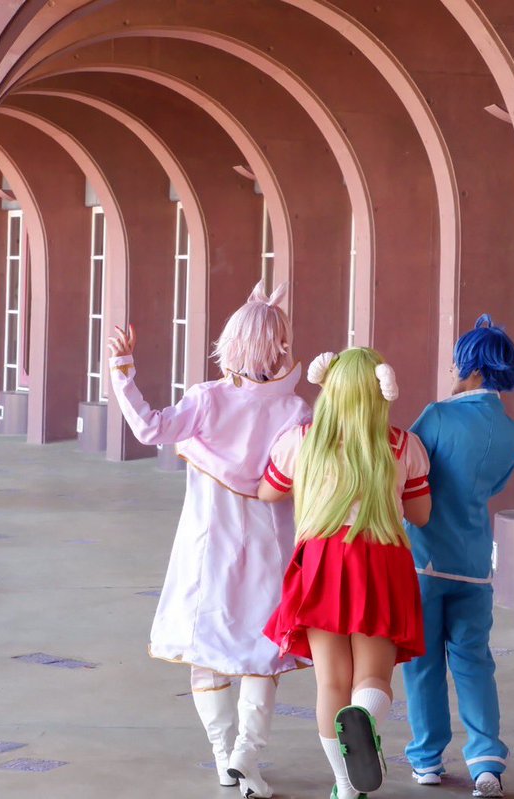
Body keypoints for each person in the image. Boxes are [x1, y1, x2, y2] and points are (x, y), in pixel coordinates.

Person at [106, 281, 310, 799]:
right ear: (279, 345)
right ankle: (247, 755)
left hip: (207, 543)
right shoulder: (295, 411)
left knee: (207, 649)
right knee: (263, 651)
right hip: (269, 544)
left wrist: (123, 373)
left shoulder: (207, 398)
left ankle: (224, 758)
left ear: (233, 341)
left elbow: (150, 429)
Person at [259, 347, 432, 799]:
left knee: (331, 682)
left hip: (321, 562)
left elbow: (268, 492)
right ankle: (366, 718)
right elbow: (421, 513)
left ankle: (345, 786)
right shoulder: (403, 445)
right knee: (373, 678)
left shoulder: (302, 441)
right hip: (383, 560)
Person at [400, 314, 514, 799]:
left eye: (458, 362)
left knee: (422, 663)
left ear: (472, 367)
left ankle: (427, 760)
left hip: (424, 559)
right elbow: (493, 488)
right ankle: (486, 763)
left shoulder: (436, 416)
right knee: (474, 662)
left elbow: (406, 471)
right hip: (475, 564)